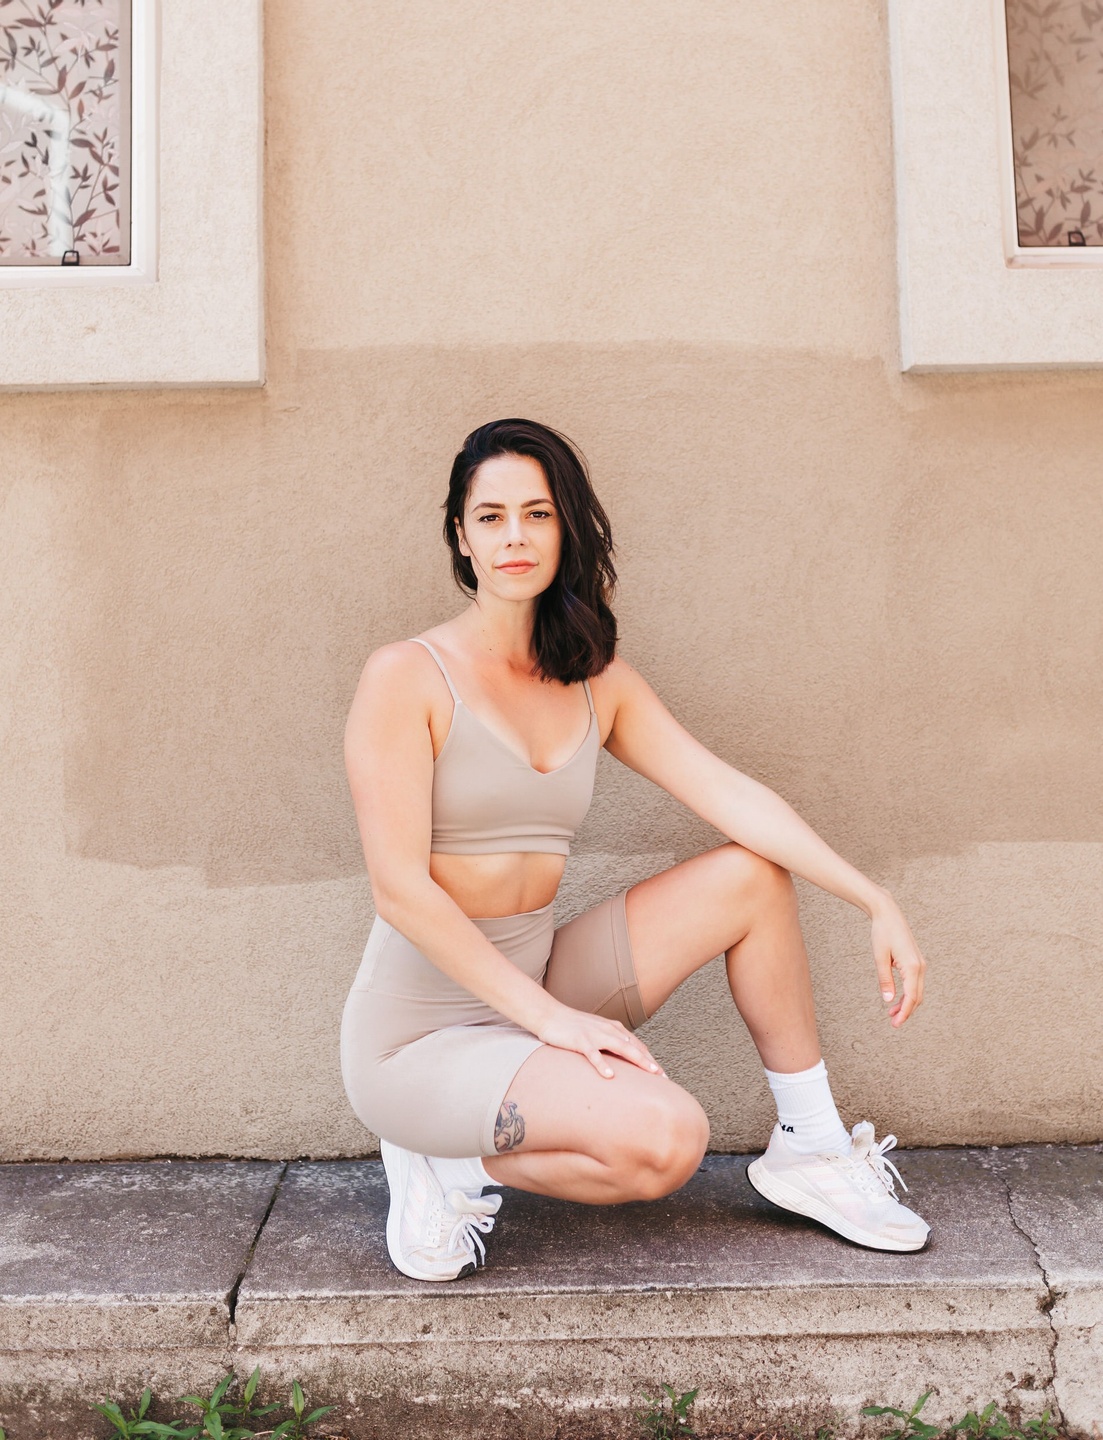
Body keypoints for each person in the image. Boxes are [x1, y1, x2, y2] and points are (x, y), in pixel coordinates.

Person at [341, 418, 929, 1283]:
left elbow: (728, 793)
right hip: (419, 1036)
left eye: (537, 514)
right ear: (460, 537)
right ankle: (443, 1157)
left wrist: (872, 897)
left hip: (536, 984)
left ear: (564, 529)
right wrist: (555, 1023)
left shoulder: (595, 681)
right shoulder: (405, 676)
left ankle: (810, 1143)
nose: (514, 537)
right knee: (666, 1140)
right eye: (491, 517)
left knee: (750, 878)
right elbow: (400, 890)